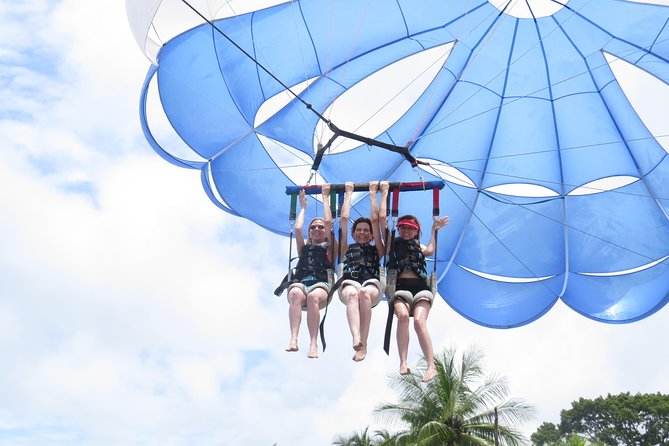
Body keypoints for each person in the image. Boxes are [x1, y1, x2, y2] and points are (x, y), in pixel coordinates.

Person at [385, 213, 449, 382]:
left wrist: (434, 230)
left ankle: (431, 367)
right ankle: (403, 362)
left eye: (410, 228)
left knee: (419, 323)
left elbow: (430, 250)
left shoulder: (419, 247)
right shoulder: (392, 244)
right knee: (403, 317)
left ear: (416, 231)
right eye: (403, 227)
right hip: (400, 289)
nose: (406, 231)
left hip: (421, 289)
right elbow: (381, 233)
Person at [337, 181, 388, 362]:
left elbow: (376, 220)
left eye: (366, 231)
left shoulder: (378, 249)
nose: (363, 233)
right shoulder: (345, 248)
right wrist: (348, 194)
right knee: (353, 294)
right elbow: (343, 221)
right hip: (350, 281)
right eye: (359, 230)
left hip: (371, 283)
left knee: (364, 293)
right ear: (353, 233)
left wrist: (374, 194)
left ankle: (363, 344)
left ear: (372, 235)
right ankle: (356, 337)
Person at [285, 185, 336, 358]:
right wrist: (303, 207)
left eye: (320, 228)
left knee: (313, 297)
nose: (317, 229)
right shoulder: (303, 248)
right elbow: (298, 229)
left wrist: (325, 198)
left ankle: (313, 344)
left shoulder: (330, 248)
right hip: (301, 282)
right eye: (313, 227)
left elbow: (329, 223)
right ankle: (293, 338)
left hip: (321, 284)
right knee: (295, 295)